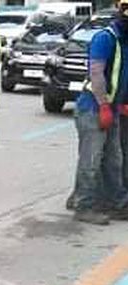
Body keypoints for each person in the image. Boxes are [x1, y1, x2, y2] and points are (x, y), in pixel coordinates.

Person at [68, 0, 128, 225]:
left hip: (111, 108)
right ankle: (84, 206)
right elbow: (97, 74)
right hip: (93, 108)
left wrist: (121, 103)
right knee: (91, 160)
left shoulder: (124, 40)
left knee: (114, 160)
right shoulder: (105, 38)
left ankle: (117, 203)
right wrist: (103, 105)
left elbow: (121, 74)